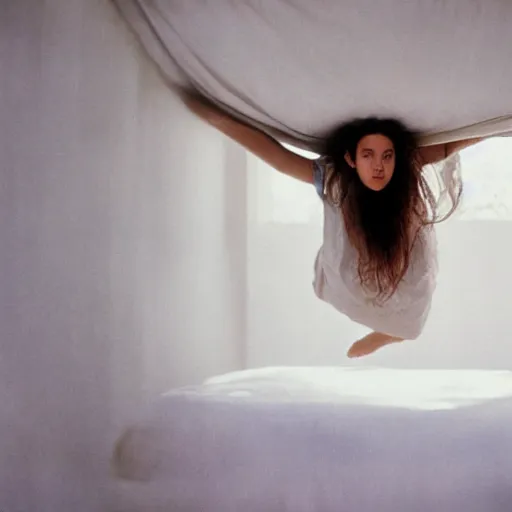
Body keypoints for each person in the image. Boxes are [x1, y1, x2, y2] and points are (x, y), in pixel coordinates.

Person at [182, 92, 484, 358]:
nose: (379, 165)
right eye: (368, 156)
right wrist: (216, 117)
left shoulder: (407, 167)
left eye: (387, 156)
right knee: (338, 287)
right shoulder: (334, 178)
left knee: (415, 316)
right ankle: (389, 329)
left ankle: (391, 333)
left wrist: (498, 124)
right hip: (352, 264)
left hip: (404, 258)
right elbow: (277, 156)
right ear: (351, 159)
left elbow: (451, 145)